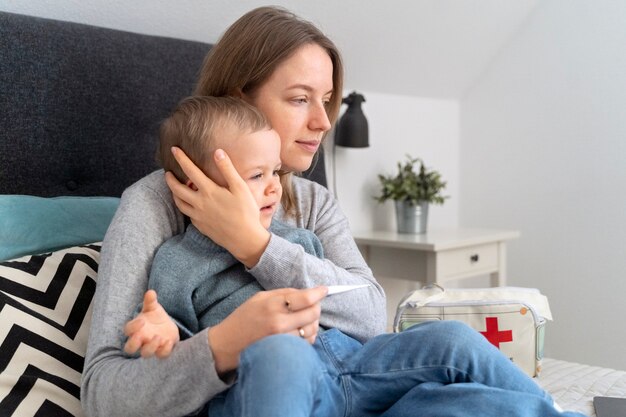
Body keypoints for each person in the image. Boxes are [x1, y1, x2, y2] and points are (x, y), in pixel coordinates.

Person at [81, 6, 586, 417]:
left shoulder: (312, 202)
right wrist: (225, 343)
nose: (323, 122)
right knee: (280, 355)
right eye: (301, 99)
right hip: (275, 386)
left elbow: (370, 316)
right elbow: (104, 392)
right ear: (242, 100)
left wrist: (255, 245)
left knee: (478, 379)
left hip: (360, 377)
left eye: (327, 99)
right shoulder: (156, 206)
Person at [123, 95, 326, 357]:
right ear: (198, 187)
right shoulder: (177, 263)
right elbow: (176, 339)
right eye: (256, 175)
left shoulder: (300, 241)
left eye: (275, 171)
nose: (275, 186)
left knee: (396, 350)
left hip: (335, 361)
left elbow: (337, 314)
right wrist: (165, 334)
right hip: (261, 369)